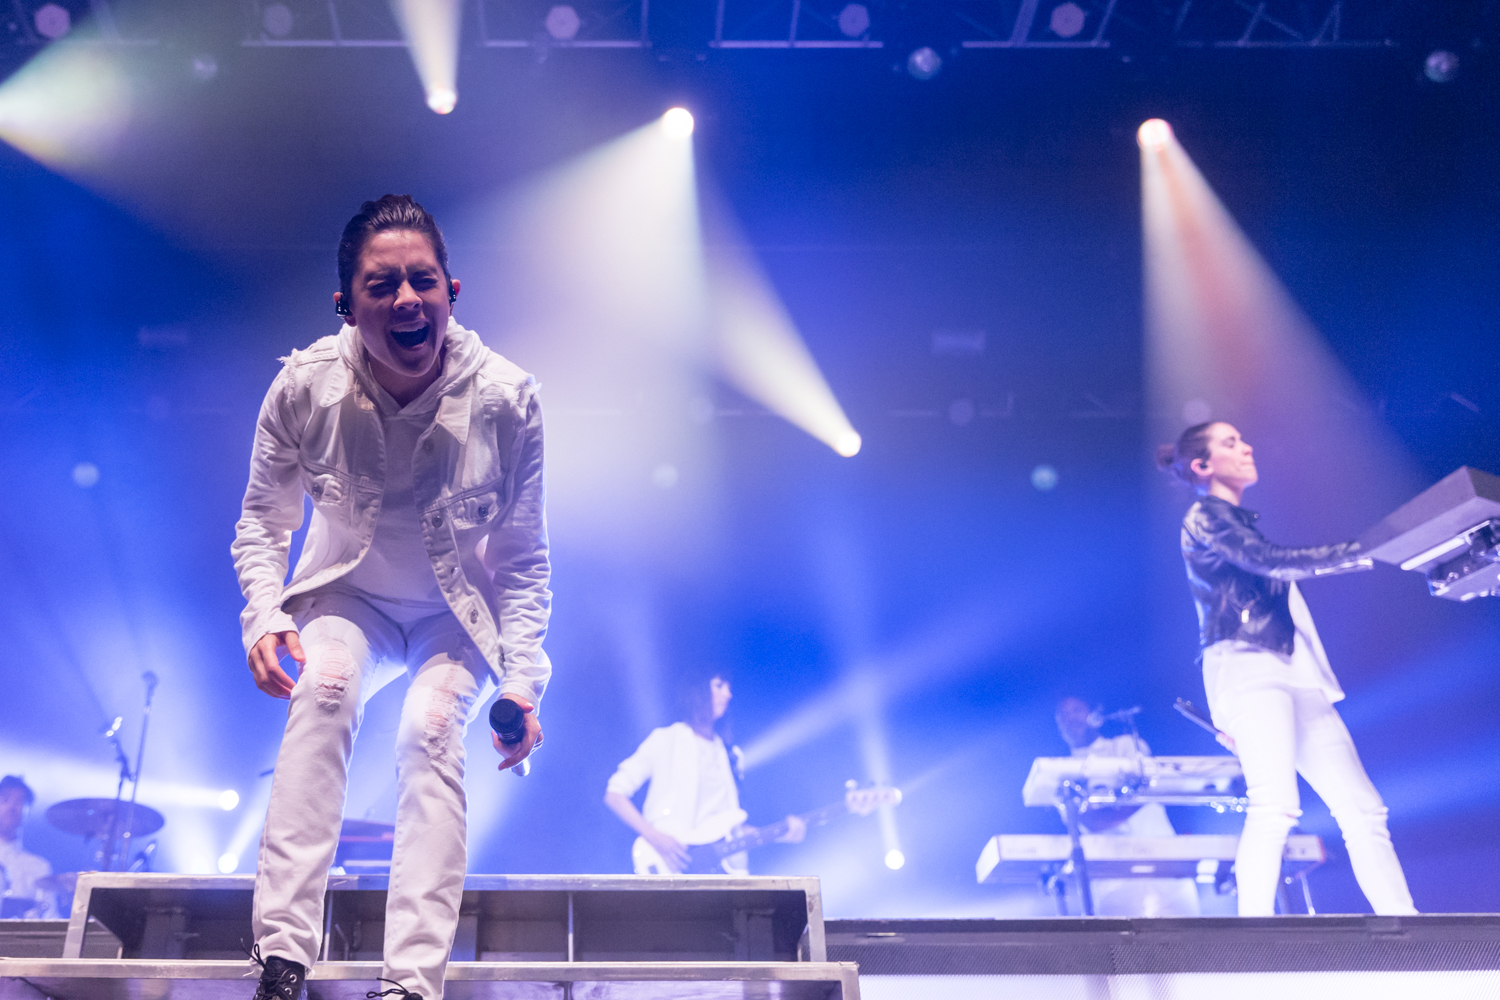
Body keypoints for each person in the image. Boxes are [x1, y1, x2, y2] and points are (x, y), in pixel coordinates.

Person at [232, 195, 551, 1000]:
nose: (407, 299)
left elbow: (521, 558)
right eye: (383, 286)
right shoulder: (304, 388)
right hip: (351, 599)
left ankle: (409, 984)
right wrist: (264, 617)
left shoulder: (508, 400)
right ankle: (281, 959)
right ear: (347, 304)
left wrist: (522, 681)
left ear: (451, 291)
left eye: (423, 281)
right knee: (324, 692)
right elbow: (263, 521)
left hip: (456, 615)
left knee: (429, 731)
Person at [1158, 421, 1415, 916]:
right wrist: (1364, 549)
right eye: (1230, 443)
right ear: (1202, 465)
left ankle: (1404, 922)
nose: (1246, 447)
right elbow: (1270, 561)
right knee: (1274, 805)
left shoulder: (1234, 520)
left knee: (1363, 809)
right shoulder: (1204, 516)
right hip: (1248, 667)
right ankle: (1252, 936)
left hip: (1292, 670)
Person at [604, 669, 805, 874]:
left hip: (725, 874)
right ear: (697, 691)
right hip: (673, 864)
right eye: (719, 686)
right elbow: (615, 794)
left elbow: (732, 829)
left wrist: (781, 833)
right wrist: (655, 837)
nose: (728, 694)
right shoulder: (665, 740)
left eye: (729, 688)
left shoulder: (732, 755)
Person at [1053, 699, 1201, 917]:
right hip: (1114, 886)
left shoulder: (1126, 745)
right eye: (1063, 716)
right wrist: (1136, 797)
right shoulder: (1060, 772)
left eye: (1076, 710)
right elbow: (1091, 822)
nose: (1071, 718)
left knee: (1188, 936)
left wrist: (1132, 799)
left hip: (1166, 871)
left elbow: (1151, 785)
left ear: (1093, 713)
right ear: (1059, 728)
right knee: (1121, 939)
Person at [0, 776, 59, 920]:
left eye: (19, 802)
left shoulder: (39, 866)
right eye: (5, 800)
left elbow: (50, 916)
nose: (11, 807)